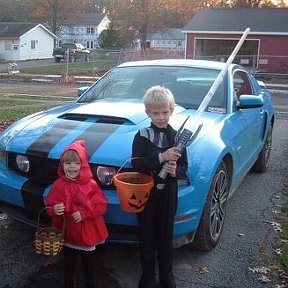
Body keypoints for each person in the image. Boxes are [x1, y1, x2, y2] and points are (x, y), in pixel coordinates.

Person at [131, 85, 188, 288]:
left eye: (165, 112)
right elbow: (136, 163)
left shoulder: (179, 138)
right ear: (148, 113)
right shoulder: (142, 136)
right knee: (146, 236)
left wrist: (175, 172)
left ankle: (166, 275)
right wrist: (161, 157)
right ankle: (147, 276)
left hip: (169, 194)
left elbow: (184, 168)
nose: (161, 117)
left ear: (171, 111)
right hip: (147, 194)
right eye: (156, 113)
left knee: (166, 237)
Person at [45, 140, 108, 288]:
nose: (72, 167)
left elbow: (101, 206)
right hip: (67, 233)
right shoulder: (58, 185)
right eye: (67, 163)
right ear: (62, 166)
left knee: (89, 264)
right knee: (68, 263)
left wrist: (84, 213)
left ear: (83, 165)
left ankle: (89, 284)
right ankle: (68, 284)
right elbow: (49, 206)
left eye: (76, 163)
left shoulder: (90, 185)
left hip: (86, 233)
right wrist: (55, 210)